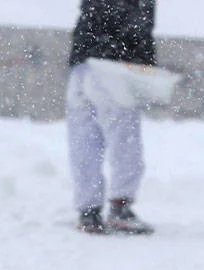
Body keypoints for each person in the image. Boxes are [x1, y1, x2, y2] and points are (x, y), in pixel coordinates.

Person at [66, 0, 157, 234]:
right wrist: (146, 65)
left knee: (84, 141)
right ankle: (120, 208)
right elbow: (138, 25)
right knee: (124, 139)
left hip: (82, 64)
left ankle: (88, 212)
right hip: (114, 66)